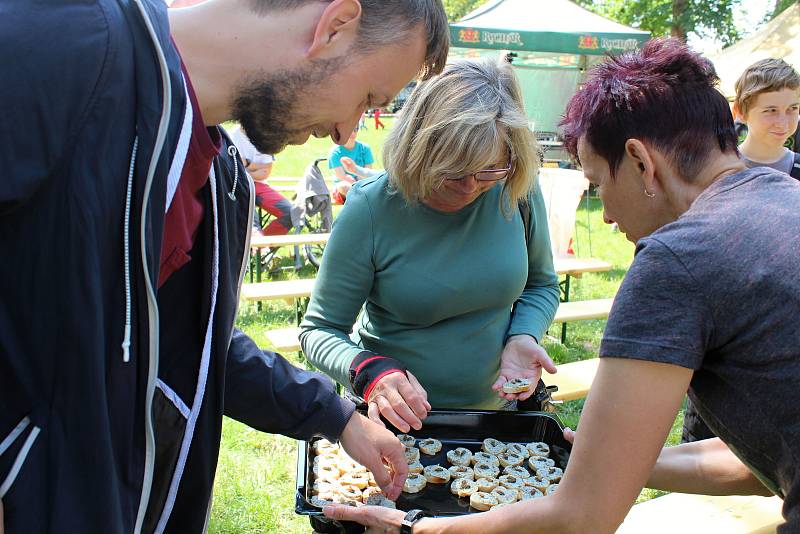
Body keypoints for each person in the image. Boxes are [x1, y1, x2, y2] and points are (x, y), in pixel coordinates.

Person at [0, 0, 450, 532]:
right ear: (334, 25)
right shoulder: (61, 37)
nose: (348, 133)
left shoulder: (221, 180)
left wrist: (337, 416)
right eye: (368, 99)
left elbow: (189, 344)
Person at [323, 39, 800, 533]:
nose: (607, 213)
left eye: (597, 184)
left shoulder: (677, 259)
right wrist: (602, 463)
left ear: (641, 163)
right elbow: (757, 461)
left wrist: (414, 529)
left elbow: (582, 519)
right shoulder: (788, 198)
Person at [300, 57, 561, 434]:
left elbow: (541, 284)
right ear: (418, 147)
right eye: (453, 171)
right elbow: (319, 330)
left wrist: (524, 334)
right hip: (391, 425)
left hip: (497, 417)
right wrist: (370, 371)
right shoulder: (372, 208)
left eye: (488, 169)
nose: (471, 186)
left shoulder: (516, 187)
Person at [733, 58, 800, 179]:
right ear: (741, 112)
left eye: (792, 108)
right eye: (771, 111)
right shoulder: (722, 171)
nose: (783, 124)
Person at [225, 124, 293, 236]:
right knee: (251, 224)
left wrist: (246, 164)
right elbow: (233, 171)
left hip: (259, 186)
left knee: (291, 212)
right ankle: (253, 244)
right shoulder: (231, 136)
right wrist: (257, 167)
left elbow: (265, 172)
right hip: (237, 185)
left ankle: (263, 246)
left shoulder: (266, 136)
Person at [328, 127, 375, 202]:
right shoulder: (335, 152)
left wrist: (360, 182)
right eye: (349, 130)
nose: (353, 133)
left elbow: (368, 171)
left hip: (362, 181)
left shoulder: (365, 148)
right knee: (345, 187)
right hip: (343, 184)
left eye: (355, 130)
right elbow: (342, 176)